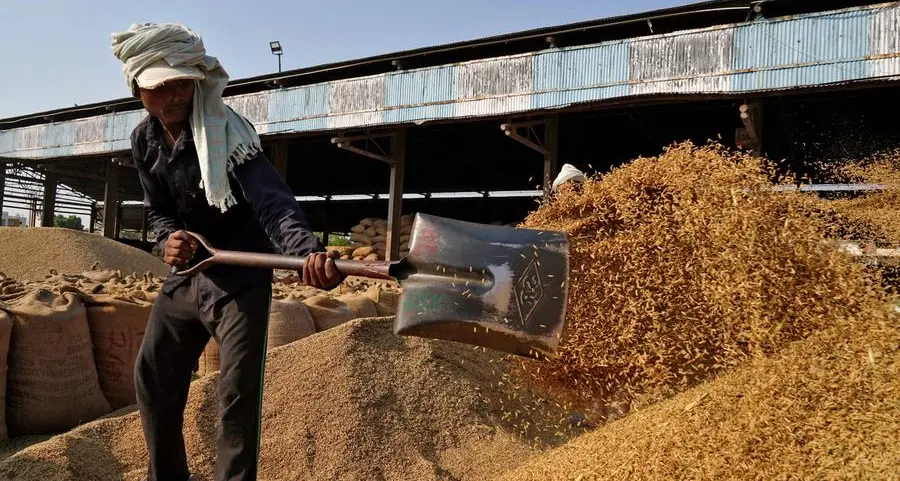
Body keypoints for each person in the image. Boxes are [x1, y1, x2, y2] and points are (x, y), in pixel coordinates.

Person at [111, 23, 342, 481]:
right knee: (153, 381)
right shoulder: (144, 141)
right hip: (189, 272)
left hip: (240, 280)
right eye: (161, 86)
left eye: (182, 82)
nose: (175, 94)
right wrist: (166, 241)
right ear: (138, 87)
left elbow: (273, 202)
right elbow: (157, 211)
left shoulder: (228, 134)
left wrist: (307, 253)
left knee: (236, 398)